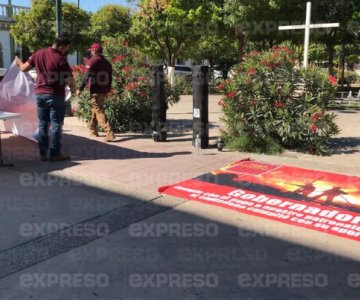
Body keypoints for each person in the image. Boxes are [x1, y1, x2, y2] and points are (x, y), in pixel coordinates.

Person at [16, 36, 76, 162]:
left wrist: (18, 62)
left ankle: (43, 153)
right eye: (66, 49)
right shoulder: (60, 59)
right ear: (61, 47)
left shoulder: (38, 54)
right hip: (56, 96)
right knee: (56, 125)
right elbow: (70, 80)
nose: (65, 52)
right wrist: (74, 90)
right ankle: (55, 154)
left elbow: (23, 68)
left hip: (40, 95)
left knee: (43, 123)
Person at [76, 43, 115, 142]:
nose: (91, 52)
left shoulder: (92, 61)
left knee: (98, 110)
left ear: (94, 51)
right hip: (103, 90)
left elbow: (86, 76)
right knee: (96, 108)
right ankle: (93, 129)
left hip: (96, 90)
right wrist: (108, 90)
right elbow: (110, 78)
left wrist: (80, 89)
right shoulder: (107, 63)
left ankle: (109, 132)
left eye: (91, 51)